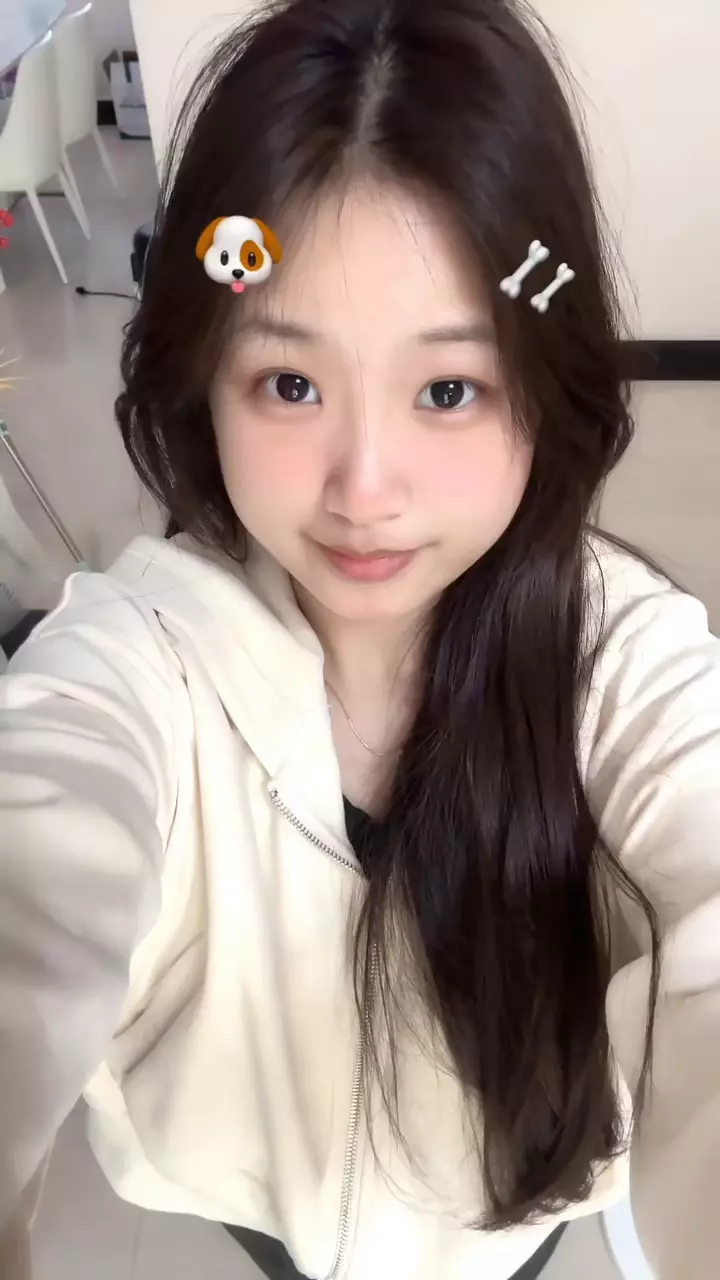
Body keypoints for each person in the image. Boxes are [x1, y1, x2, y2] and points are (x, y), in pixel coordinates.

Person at [1, 0, 719, 1277]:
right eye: (290, 383)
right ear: (206, 383)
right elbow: (39, 852)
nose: (365, 487)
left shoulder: (625, 662)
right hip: (269, 1217)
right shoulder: (136, 657)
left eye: (448, 388)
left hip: (517, 1220)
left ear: (541, 390)